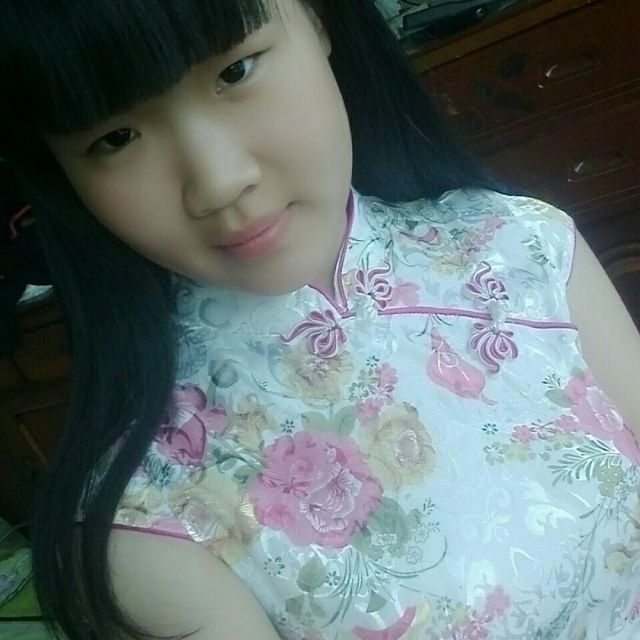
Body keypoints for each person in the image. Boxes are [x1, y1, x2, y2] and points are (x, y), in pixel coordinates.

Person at [1, 0, 639, 639]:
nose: (220, 181)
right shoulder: (145, 520)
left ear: (320, 19)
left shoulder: (522, 246)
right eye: (116, 137)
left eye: (235, 71)